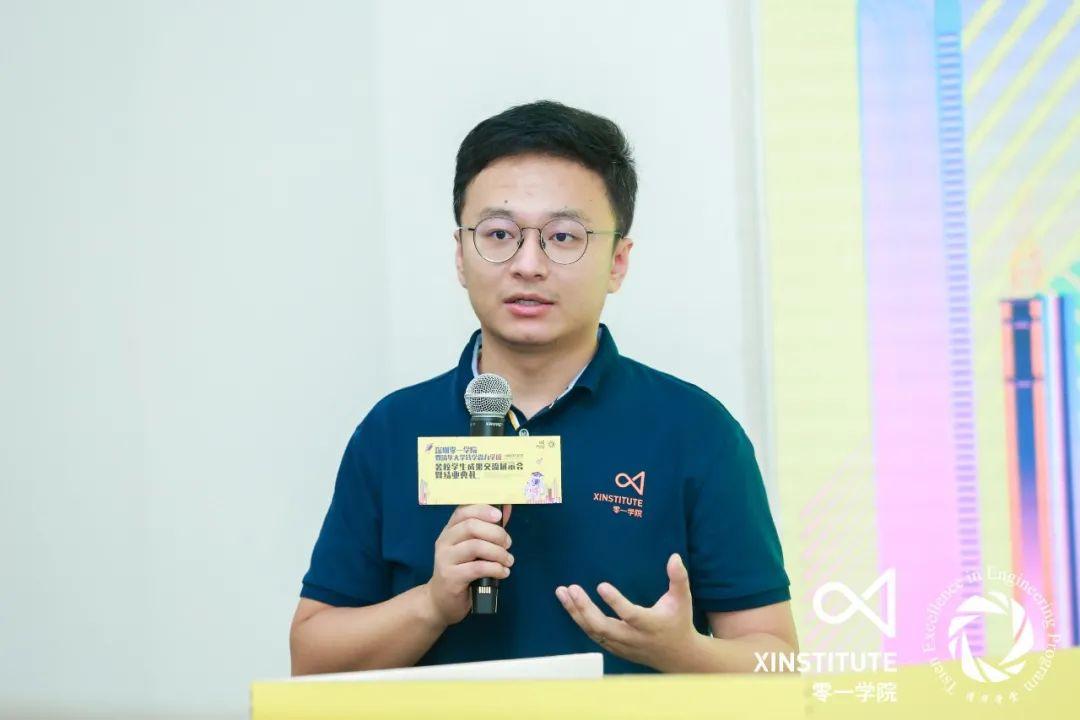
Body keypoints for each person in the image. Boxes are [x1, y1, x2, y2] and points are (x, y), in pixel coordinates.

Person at [289, 100, 797, 675]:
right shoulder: (393, 429)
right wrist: (429, 604)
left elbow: (778, 662)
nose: (528, 264)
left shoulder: (695, 430)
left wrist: (685, 653)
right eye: (499, 233)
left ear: (618, 262)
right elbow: (311, 661)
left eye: (563, 236)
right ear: (460, 255)